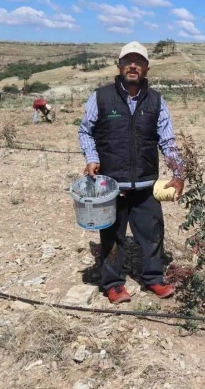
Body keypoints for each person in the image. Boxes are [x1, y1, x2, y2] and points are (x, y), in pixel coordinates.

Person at [78, 41, 185, 304]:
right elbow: (85, 131)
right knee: (112, 235)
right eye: (128, 61)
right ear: (119, 66)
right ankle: (113, 284)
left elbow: (168, 141)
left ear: (147, 68)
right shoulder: (101, 97)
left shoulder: (157, 101)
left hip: (146, 183)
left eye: (139, 62)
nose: (133, 66)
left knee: (152, 233)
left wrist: (179, 172)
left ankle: (153, 278)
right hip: (112, 184)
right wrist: (92, 158)